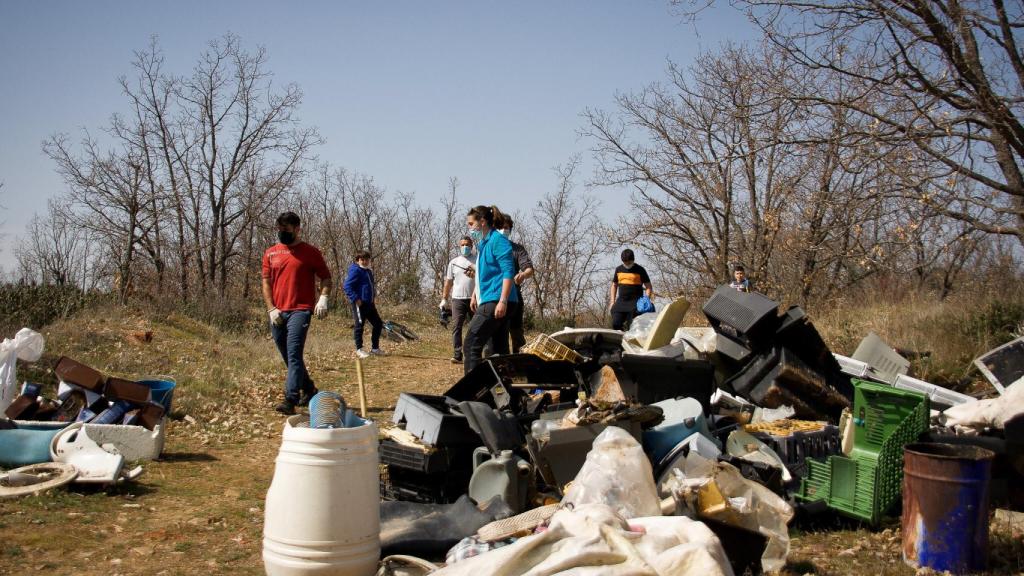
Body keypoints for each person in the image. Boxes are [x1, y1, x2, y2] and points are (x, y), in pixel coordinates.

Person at [262, 211, 332, 415]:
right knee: (288, 356)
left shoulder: (310, 252)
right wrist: (271, 309)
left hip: (300, 310)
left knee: (293, 354)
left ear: (297, 229)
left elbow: (326, 278)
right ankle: (309, 389)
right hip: (277, 311)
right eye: (280, 229)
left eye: (286, 230)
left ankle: (290, 399)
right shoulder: (271, 253)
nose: (282, 233)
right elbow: (266, 282)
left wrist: (323, 298)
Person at [464, 205, 517, 374]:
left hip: (497, 300)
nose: (469, 228)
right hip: (490, 299)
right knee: (498, 352)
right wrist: (474, 295)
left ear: (483, 222)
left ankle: (470, 392)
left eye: (471, 224)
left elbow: (508, 272)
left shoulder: (498, 240)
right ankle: (506, 395)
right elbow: (482, 274)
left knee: (471, 344)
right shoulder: (484, 244)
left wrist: (502, 301)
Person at [491, 214, 534, 353]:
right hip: (493, 295)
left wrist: (523, 274)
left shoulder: (517, 249)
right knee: (493, 333)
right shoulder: (489, 247)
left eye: (506, 228)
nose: (503, 230)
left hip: (514, 297)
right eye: (500, 228)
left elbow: (528, 268)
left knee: (516, 333)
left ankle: (519, 365)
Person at [441, 236, 477, 363]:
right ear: (459, 246)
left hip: (475, 299)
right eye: (462, 245)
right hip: (458, 299)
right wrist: (444, 299)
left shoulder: (477, 260)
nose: (465, 247)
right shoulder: (454, 262)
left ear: (472, 246)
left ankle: (475, 354)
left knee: (477, 327)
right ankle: (457, 354)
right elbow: (448, 282)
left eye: (467, 244)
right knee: (457, 327)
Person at [343, 250, 385, 359]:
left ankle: (375, 348)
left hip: (369, 304)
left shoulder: (368, 271)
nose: (365, 261)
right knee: (359, 326)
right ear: (358, 260)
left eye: (367, 259)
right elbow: (347, 286)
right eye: (362, 259)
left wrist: (373, 297)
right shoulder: (355, 271)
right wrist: (355, 298)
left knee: (378, 324)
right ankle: (359, 349)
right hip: (359, 304)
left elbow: (370, 287)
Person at [608, 248, 653, 331]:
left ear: (633, 260)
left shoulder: (640, 270)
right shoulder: (618, 269)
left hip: (635, 304)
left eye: (629, 262)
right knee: (616, 324)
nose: (627, 264)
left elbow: (648, 287)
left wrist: (646, 300)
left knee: (632, 327)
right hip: (621, 302)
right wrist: (612, 302)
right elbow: (614, 285)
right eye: (625, 262)